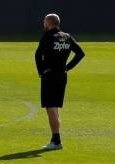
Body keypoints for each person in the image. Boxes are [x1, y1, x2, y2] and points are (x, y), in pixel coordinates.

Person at [35, 13, 85, 150]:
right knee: (55, 107)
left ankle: (56, 141)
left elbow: (38, 54)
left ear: (49, 23)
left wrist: (41, 71)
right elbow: (80, 53)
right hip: (62, 76)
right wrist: (67, 68)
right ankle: (55, 139)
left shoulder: (47, 37)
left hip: (49, 76)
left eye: (44, 21)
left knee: (50, 108)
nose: (43, 24)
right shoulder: (67, 37)